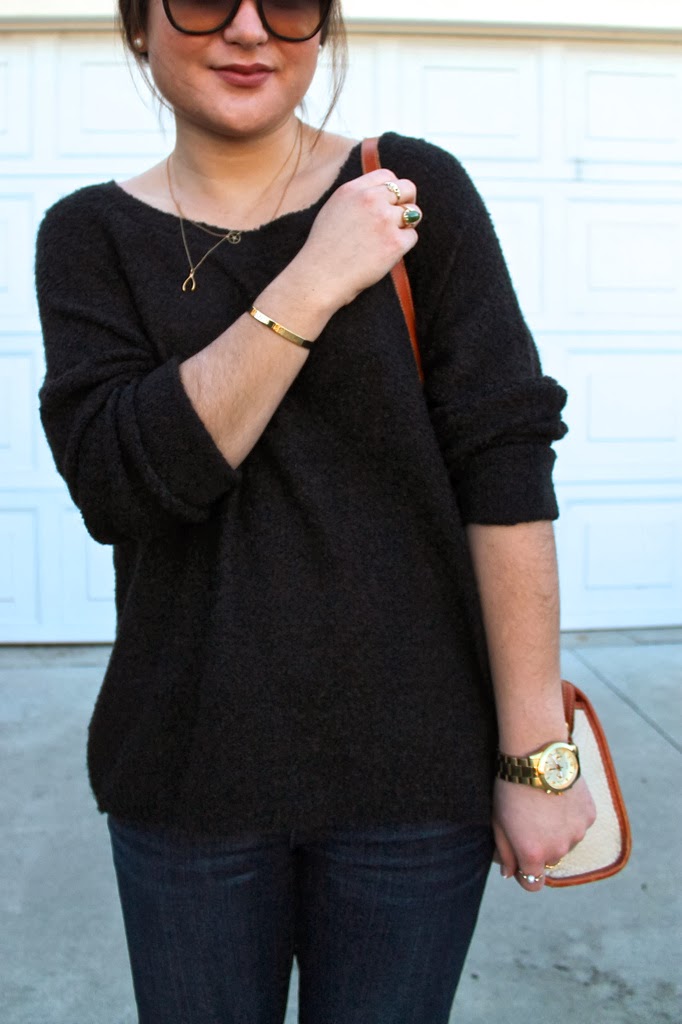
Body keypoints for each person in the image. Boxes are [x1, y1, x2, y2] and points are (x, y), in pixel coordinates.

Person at [36, 1, 596, 1022]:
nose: (250, 29)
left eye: (288, 2)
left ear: (323, 26)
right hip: (187, 775)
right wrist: (314, 279)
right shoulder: (89, 236)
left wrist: (536, 755)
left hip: (413, 777)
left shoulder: (411, 192)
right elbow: (119, 483)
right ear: (136, 24)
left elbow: (504, 468)